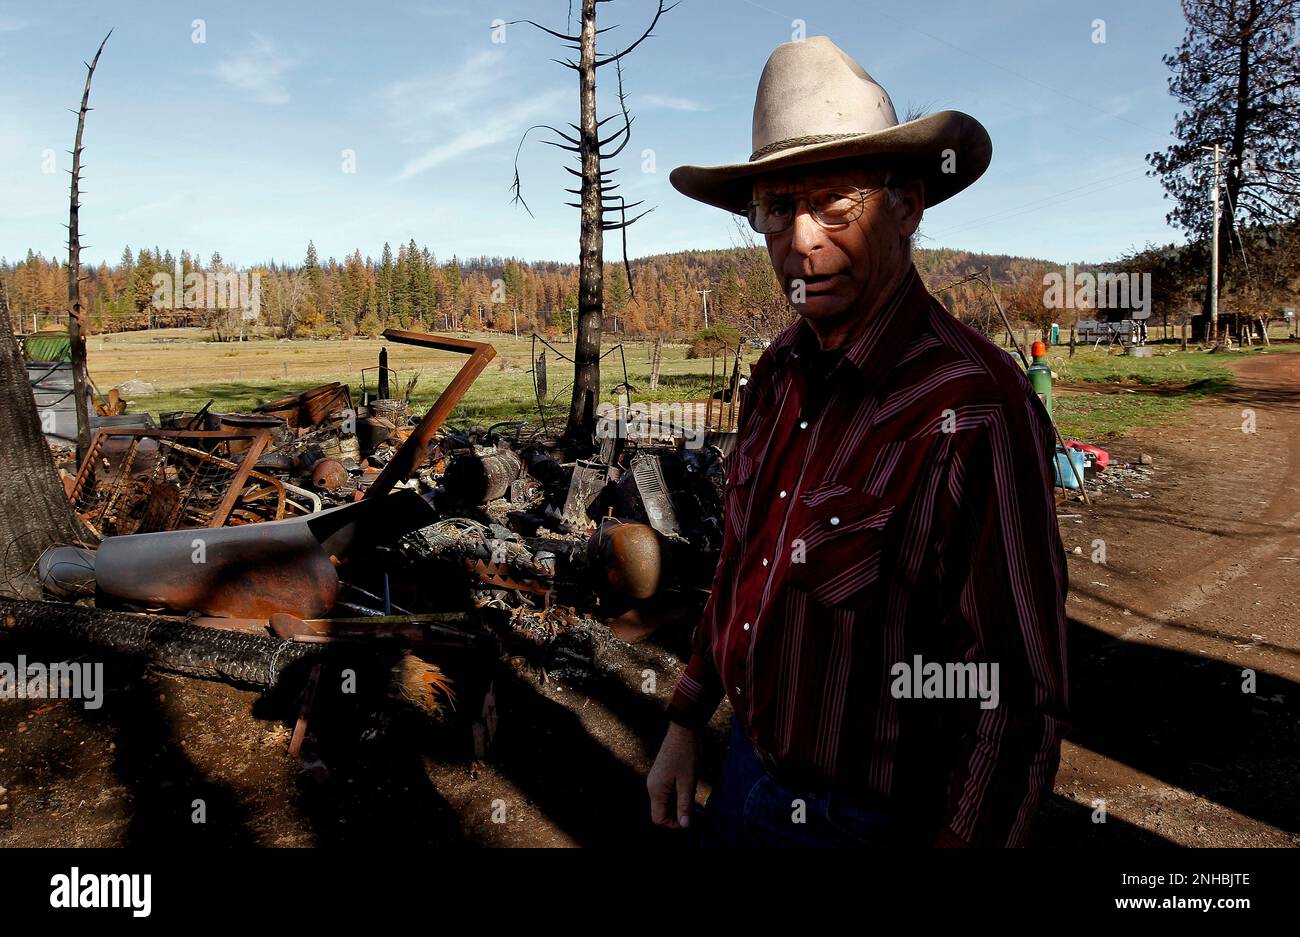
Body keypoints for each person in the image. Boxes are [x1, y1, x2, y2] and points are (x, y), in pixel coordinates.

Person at [646, 36, 1069, 847]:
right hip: (745, 777)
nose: (801, 239)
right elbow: (743, 565)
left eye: (833, 201)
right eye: (776, 207)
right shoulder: (776, 374)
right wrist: (685, 716)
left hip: (874, 823)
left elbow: (1015, 702)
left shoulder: (973, 403)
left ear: (906, 204)